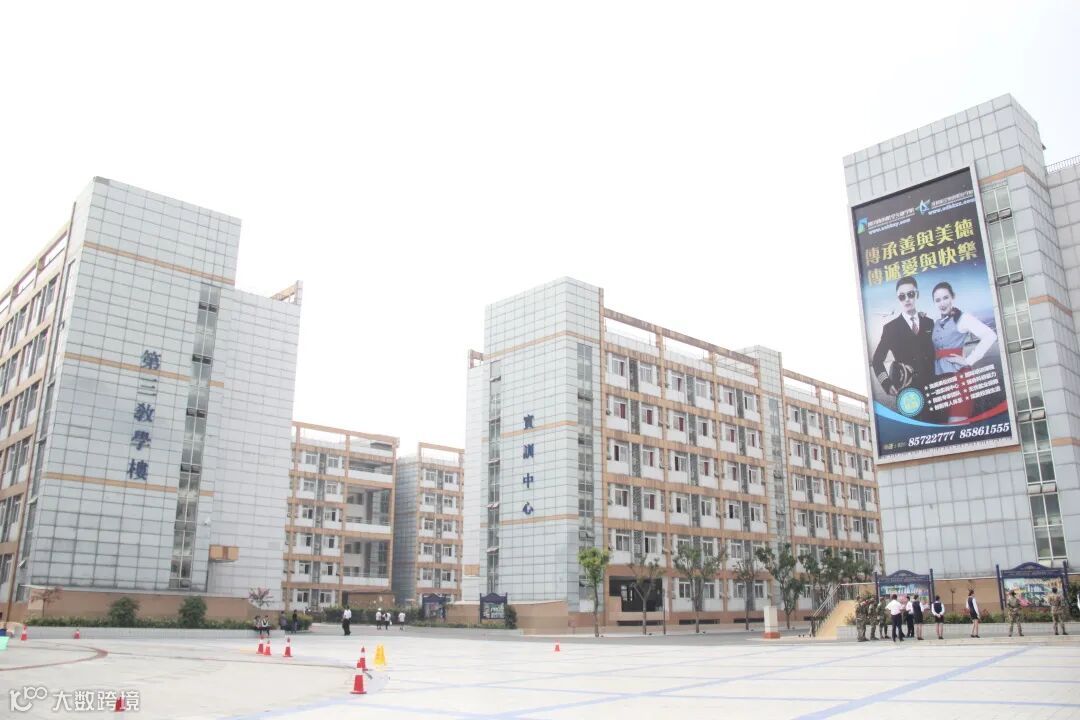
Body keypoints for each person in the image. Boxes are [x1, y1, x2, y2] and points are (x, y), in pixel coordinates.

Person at [930, 282, 998, 423]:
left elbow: (990, 335)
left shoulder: (963, 318)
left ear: (953, 297)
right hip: (941, 380)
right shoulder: (936, 323)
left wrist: (968, 360)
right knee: (947, 427)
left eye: (945, 298)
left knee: (956, 422)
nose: (942, 303)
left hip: (959, 377)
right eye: (938, 300)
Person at [871, 277, 936, 417]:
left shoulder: (929, 323)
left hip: (933, 391)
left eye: (910, 294)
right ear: (898, 299)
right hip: (909, 394)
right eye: (902, 296)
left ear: (917, 294)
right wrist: (887, 384)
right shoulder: (890, 328)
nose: (907, 299)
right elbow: (877, 361)